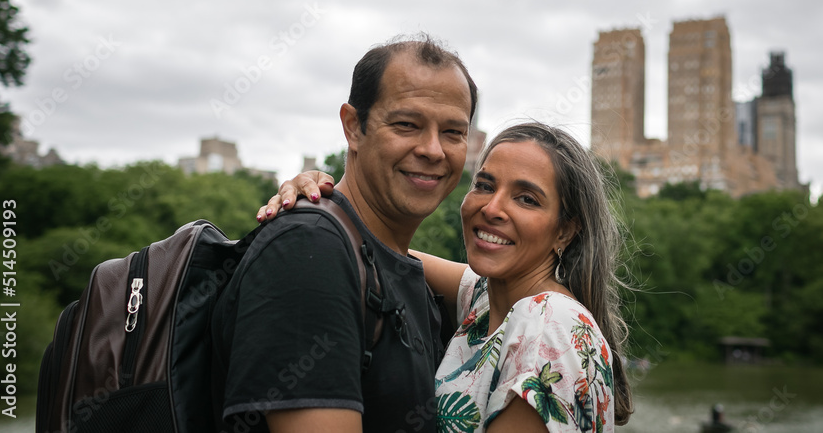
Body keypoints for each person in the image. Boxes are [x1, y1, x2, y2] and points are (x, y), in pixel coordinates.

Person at [265, 122, 634, 431]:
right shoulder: (488, 298)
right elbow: (375, 249)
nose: (491, 208)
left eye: (526, 199)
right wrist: (318, 201)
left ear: (565, 231)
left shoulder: (548, 324)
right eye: (485, 185)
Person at [211, 35, 477, 432]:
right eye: (407, 124)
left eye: (453, 132)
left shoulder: (385, 259)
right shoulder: (308, 249)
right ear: (353, 127)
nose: (433, 150)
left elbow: (520, 287)